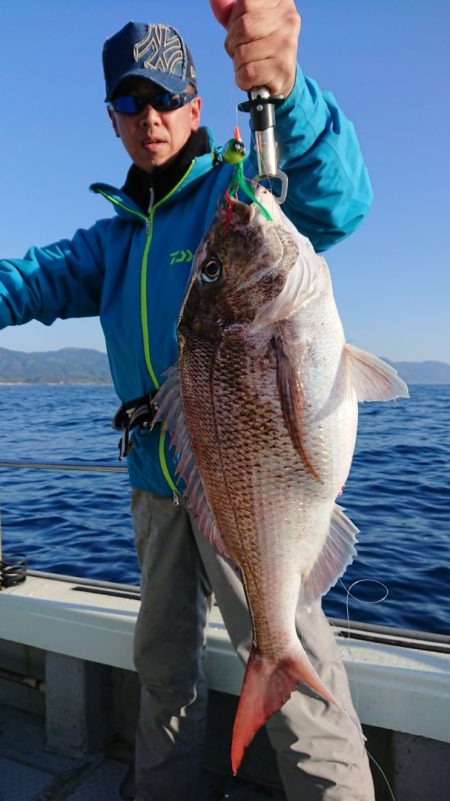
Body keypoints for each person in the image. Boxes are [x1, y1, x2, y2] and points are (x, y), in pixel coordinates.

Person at [0, 2, 376, 799]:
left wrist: (288, 89)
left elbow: (337, 201)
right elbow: (25, 281)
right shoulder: (110, 241)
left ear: (198, 107)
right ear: (113, 119)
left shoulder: (239, 200)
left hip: (252, 489)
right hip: (155, 489)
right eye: (131, 103)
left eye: (165, 97)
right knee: (163, 676)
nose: (150, 118)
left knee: (302, 690)